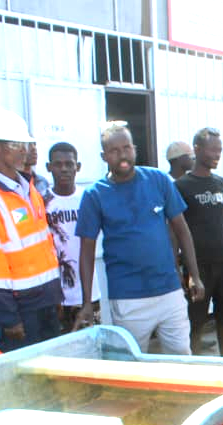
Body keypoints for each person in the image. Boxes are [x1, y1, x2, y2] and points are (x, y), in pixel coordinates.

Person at [74, 123, 204, 353]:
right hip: (128, 300)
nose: (122, 155)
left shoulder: (157, 180)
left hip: (169, 292)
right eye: (114, 151)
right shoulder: (95, 195)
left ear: (134, 149)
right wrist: (86, 302)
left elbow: (182, 230)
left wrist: (194, 275)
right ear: (104, 156)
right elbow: (86, 250)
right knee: (134, 366)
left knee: (182, 361)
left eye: (126, 147)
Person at [0, 108, 62, 353]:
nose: (23, 149)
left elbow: (44, 249)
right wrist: (8, 317)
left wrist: (55, 294)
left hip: (46, 301)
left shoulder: (30, 191)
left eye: (24, 144)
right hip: (22, 307)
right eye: (15, 144)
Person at [176, 127, 223, 356]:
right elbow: (176, 229)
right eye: (213, 149)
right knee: (195, 324)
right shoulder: (182, 186)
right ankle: (195, 370)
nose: (217, 154)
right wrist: (184, 268)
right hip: (197, 267)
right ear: (197, 149)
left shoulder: (221, 183)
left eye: (220, 150)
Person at [43, 142, 100, 332]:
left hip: (88, 295)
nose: (64, 169)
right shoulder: (42, 202)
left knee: (91, 350)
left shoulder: (89, 199)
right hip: (55, 296)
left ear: (78, 167)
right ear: (48, 167)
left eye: (69, 164)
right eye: (58, 164)